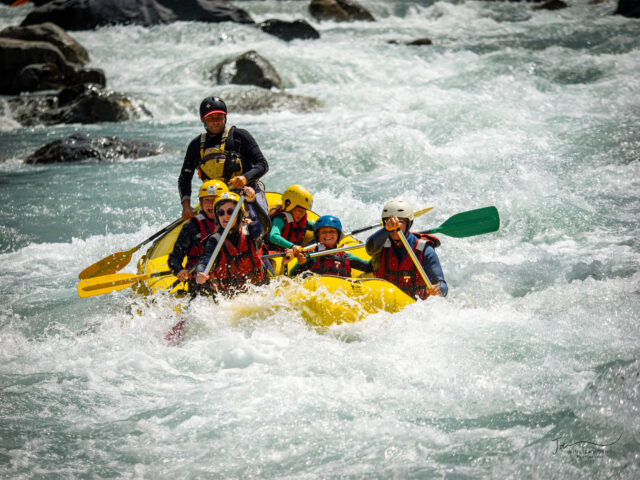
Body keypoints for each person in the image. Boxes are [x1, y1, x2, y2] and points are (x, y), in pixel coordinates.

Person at [178, 96, 269, 222]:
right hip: (213, 199)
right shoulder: (196, 145)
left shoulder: (240, 136)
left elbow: (262, 164)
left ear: (225, 118)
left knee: (259, 227)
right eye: (210, 118)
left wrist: (244, 178)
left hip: (245, 194)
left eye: (219, 117)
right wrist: (186, 206)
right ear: (202, 119)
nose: (215, 121)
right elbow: (185, 177)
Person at [365, 200, 448, 299]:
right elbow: (369, 249)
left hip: (413, 307)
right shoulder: (380, 245)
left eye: (400, 221)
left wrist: (438, 289)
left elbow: (442, 285)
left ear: (408, 224)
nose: (394, 225)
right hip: (382, 301)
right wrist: (386, 229)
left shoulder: (425, 250)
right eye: (389, 221)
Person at [195, 189, 269, 296]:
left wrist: (253, 202)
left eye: (230, 212)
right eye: (221, 213)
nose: (225, 216)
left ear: (238, 214)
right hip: (228, 297)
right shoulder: (214, 241)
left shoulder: (250, 231)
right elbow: (204, 262)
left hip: (256, 291)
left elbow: (265, 226)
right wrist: (200, 272)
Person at [167, 179, 228, 293]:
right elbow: (173, 258)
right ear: (201, 203)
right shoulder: (191, 227)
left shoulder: (233, 223)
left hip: (227, 280)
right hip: (201, 284)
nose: (210, 204)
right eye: (206, 200)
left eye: (215, 200)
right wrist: (179, 271)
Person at [290, 215, 372, 277]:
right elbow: (292, 274)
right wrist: (301, 263)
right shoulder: (312, 255)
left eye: (332, 231)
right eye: (323, 232)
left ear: (338, 235)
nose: (328, 235)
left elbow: (368, 267)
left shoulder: (345, 256)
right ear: (318, 236)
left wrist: (379, 249)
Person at [268, 184, 315, 264]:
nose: (302, 214)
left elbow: (318, 227)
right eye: (300, 211)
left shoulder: (300, 220)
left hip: (292, 254)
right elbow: (273, 236)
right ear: (289, 205)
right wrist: (292, 246)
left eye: (304, 211)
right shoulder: (279, 219)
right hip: (276, 255)